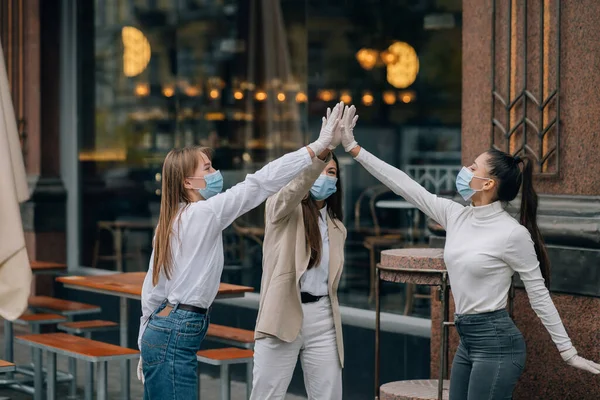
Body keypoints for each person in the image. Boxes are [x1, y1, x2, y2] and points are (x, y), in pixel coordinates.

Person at [337, 105, 600, 400]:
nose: (466, 170)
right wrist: (354, 148)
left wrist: (568, 351)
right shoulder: (457, 215)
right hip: (467, 341)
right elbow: (404, 185)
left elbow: (539, 295)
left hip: (498, 344)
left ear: (487, 184)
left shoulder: (512, 233)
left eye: (473, 167)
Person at [136, 103, 343, 400]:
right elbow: (259, 183)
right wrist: (317, 147)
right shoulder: (204, 214)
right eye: (207, 168)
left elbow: (153, 288)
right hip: (176, 330)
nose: (215, 172)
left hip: (162, 327)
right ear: (187, 182)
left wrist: (144, 340)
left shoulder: (169, 222)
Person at [250, 105, 347, 399]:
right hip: (283, 313)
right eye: (321, 170)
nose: (326, 176)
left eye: (332, 172)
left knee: (329, 394)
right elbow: (294, 189)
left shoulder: (336, 227)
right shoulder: (281, 211)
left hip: (323, 318)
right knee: (267, 394)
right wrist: (321, 152)